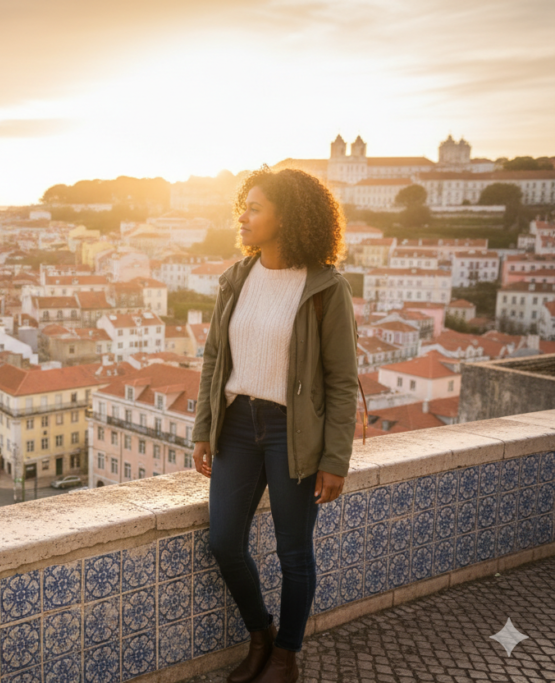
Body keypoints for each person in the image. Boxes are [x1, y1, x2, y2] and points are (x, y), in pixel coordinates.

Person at [192, 167, 358, 683]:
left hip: (294, 432)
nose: (243, 217)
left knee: (293, 552)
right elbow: (214, 358)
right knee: (224, 543)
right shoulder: (236, 278)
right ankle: (260, 634)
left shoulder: (325, 288)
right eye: (244, 207)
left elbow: (341, 381)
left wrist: (335, 459)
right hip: (237, 426)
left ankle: (286, 656)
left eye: (255, 208)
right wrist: (203, 429)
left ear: (287, 217)